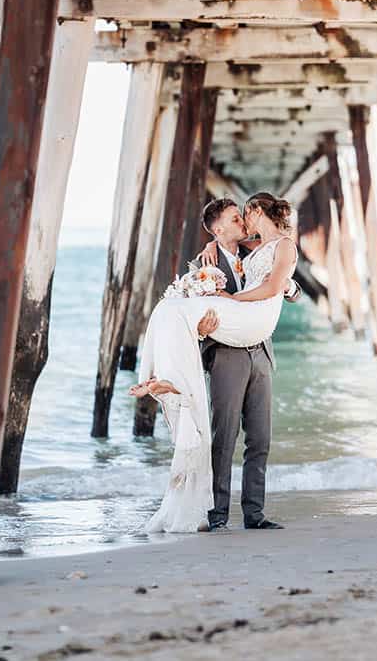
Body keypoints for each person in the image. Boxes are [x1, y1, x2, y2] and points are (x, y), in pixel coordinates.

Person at [129, 192, 299, 534]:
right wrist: (205, 334)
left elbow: (283, 280)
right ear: (218, 230)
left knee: (260, 438)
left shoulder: (256, 252)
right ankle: (217, 514)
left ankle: (255, 513)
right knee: (224, 438)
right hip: (227, 356)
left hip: (261, 352)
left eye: (243, 216)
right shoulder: (202, 265)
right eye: (235, 219)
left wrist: (288, 289)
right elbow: (195, 316)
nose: (242, 222)